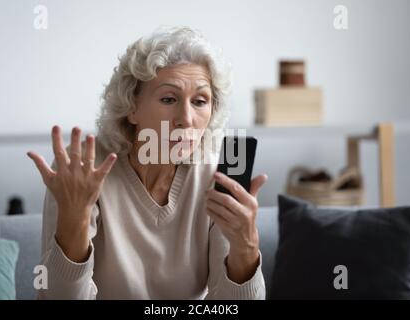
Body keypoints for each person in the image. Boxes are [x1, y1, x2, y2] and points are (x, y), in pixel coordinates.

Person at [27, 26, 268, 300]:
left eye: (200, 101)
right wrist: (74, 219)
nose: (186, 119)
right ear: (132, 107)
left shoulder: (218, 174)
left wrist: (246, 245)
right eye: (168, 99)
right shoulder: (83, 170)